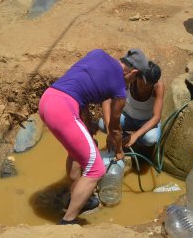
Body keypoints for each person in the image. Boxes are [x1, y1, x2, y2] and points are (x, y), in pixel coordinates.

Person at [38, 48, 148, 225]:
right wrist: (119, 151)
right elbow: (115, 129)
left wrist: (87, 125)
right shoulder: (120, 88)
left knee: (76, 154)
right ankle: (68, 220)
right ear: (133, 72)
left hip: (48, 99)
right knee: (97, 169)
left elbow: (83, 89)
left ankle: (77, 197)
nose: (132, 83)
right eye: (135, 78)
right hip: (63, 109)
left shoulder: (98, 54)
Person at [98, 58, 164, 148]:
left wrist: (135, 135)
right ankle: (121, 138)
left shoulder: (158, 87)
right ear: (136, 76)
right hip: (126, 117)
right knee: (102, 124)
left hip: (146, 121)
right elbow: (107, 100)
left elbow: (156, 117)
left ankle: (135, 142)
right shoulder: (128, 79)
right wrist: (111, 132)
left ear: (154, 83)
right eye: (141, 84)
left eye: (147, 86)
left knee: (151, 139)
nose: (143, 89)